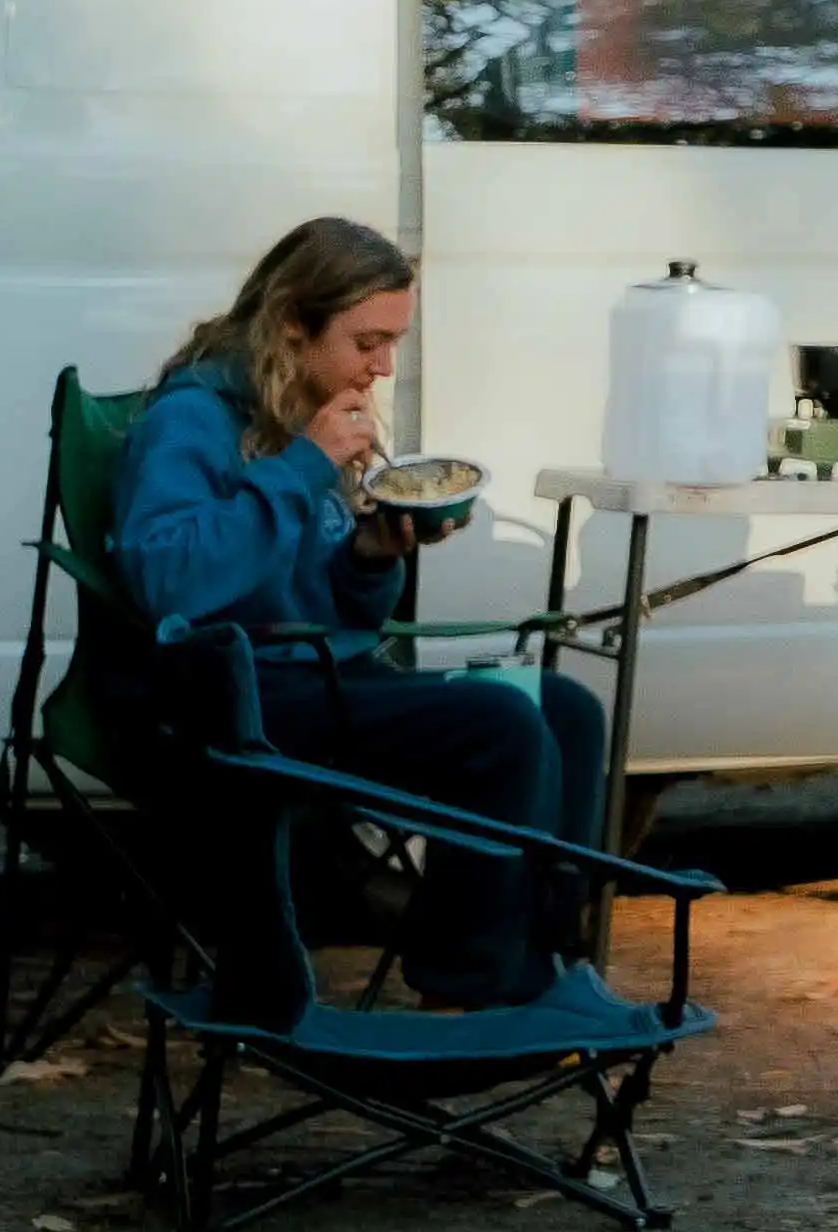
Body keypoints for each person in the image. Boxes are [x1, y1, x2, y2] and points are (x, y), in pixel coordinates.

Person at [112, 215, 609, 1011]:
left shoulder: (302, 406)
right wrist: (301, 466)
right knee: (500, 724)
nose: (381, 368)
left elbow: (329, 602)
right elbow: (169, 578)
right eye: (366, 342)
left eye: (393, 344)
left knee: (565, 708)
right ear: (290, 326)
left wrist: (374, 555)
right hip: (238, 697)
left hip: (325, 673)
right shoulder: (193, 420)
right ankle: (472, 982)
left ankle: (536, 954)